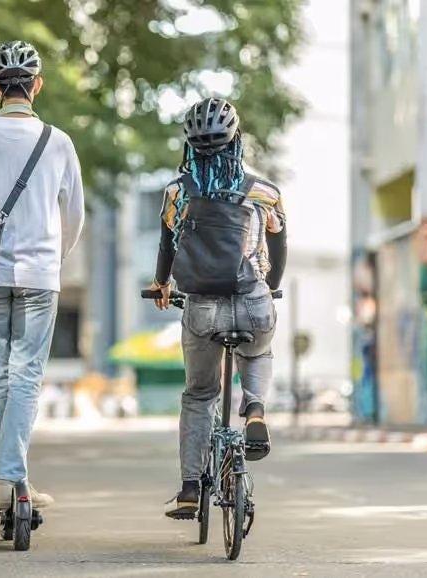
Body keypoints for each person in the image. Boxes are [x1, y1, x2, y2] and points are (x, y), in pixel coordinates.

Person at [0, 40, 86, 511]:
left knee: (0, 377)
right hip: (40, 275)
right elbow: (75, 215)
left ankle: (11, 479)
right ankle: (11, 478)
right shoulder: (59, 142)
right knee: (26, 376)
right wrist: (55, 257)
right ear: (37, 86)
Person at [147, 97, 287, 519]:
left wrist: (161, 285)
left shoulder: (177, 192)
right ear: (236, 139)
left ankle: (191, 488)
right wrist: (270, 288)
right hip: (253, 302)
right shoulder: (264, 192)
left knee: (199, 394)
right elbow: (279, 245)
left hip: (202, 308)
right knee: (258, 351)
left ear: (190, 146)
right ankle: (255, 408)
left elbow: (167, 246)